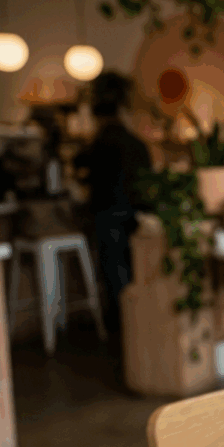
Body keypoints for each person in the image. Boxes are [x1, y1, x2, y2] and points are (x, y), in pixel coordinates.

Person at [74, 71, 153, 343]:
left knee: (113, 269)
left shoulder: (99, 143)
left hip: (108, 210)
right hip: (135, 211)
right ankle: (135, 321)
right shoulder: (136, 143)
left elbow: (84, 170)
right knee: (131, 268)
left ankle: (121, 325)